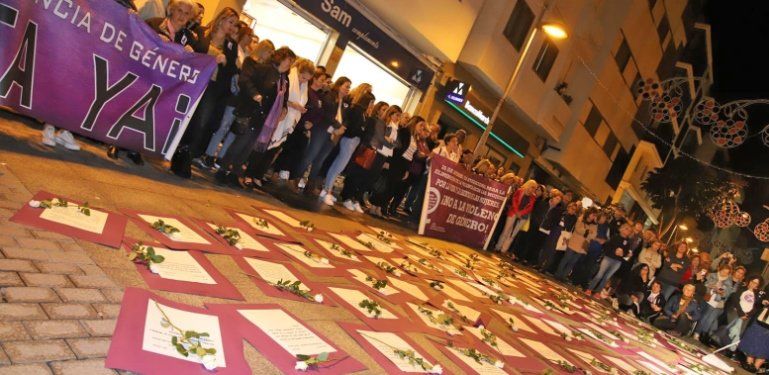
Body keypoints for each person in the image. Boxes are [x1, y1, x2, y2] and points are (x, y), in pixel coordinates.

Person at [170, 7, 240, 178]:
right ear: (222, 19)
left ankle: (185, 156)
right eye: (230, 22)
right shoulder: (201, 32)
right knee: (184, 117)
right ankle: (175, 151)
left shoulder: (231, 45)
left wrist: (226, 62)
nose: (232, 27)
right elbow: (190, 48)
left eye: (235, 24)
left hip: (213, 88)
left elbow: (232, 71)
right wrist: (189, 49)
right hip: (193, 81)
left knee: (201, 123)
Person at [214, 47, 295, 188]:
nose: (290, 64)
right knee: (240, 143)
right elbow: (245, 81)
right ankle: (223, 170)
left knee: (248, 147)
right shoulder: (264, 69)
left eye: (291, 62)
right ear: (280, 58)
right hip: (253, 113)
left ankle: (234, 173)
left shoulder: (284, 79)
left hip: (266, 118)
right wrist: (255, 94)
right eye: (289, 60)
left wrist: (284, 108)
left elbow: (284, 97)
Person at [200, 36, 269, 170]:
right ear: (263, 50)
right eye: (268, 51)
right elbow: (243, 80)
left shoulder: (260, 66)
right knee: (224, 127)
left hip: (244, 103)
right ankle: (209, 155)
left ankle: (221, 157)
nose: (269, 55)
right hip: (236, 99)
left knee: (234, 130)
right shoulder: (250, 61)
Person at [246, 57, 314, 187]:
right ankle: (249, 172)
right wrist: (292, 105)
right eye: (303, 77)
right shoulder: (289, 77)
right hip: (278, 116)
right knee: (263, 146)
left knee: (274, 150)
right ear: (298, 70)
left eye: (307, 79)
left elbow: (300, 101)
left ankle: (258, 174)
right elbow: (281, 97)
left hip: (289, 120)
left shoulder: (304, 86)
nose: (304, 81)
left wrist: (298, 108)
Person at [291, 77, 352, 196]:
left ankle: (310, 184)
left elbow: (346, 118)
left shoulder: (344, 102)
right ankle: (295, 178)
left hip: (332, 134)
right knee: (311, 155)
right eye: (346, 86)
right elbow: (327, 113)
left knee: (320, 160)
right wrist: (337, 126)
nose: (348, 89)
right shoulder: (329, 96)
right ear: (339, 85)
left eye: (349, 87)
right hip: (321, 129)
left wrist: (342, 127)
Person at [322, 84, 374, 204]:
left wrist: (361, 130)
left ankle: (327, 190)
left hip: (354, 142)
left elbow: (364, 130)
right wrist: (361, 130)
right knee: (338, 166)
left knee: (340, 166)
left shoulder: (364, 114)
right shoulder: (357, 110)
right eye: (371, 102)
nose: (372, 105)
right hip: (349, 140)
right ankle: (327, 190)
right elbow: (353, 127)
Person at [275, 71, 330, 183]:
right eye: (321, 80)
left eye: (324, 81)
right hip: (298, 123)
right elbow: (302, 106)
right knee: (288, 148)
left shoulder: (320, 96)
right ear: (314, 79)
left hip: (306, 127)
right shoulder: (307, 91)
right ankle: (278, 171)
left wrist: (312, 124)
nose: (323, 83)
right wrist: (305, 121)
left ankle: (289, 175)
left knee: (299, 151)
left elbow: (321, 113)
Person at [585, 223, 633, 297]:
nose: (628, 231)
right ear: (621, 229)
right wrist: (615, 251)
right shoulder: (615, 237)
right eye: (626, 228)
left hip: (617, 262)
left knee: (607, 277)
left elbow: (626, 252)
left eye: (629, 230)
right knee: (600, 274)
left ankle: (598, 292)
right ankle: (589, 289)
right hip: (608, 258)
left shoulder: (627, 242)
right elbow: (607, 247)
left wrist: (623, 254)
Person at [495, 180, 538, 255]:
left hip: (523, 217)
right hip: (513, 212)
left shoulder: (533, 197)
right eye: (532, 187)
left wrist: (520, 213)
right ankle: (498, 247)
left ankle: (503, 250)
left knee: (513, 234)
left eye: (535, 188)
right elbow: (514, 201)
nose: (533, 189)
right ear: (528, 185)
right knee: (506, 230)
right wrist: (517, 211)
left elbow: (530, 208)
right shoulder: (520, 191)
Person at [694, 264, 734, 342]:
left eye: (726, 273)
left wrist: (721, 292)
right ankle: (693, 330)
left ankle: (698, 333)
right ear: (720, 269)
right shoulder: (712, 275)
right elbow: (704, 284)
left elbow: (727, 293)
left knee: (705, 318)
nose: (724, 274)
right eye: (723, 271)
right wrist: (710, 286)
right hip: (706, 297)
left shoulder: (729, 282)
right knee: (699, 314)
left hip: (715, 301)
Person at [555, 208, 597, 281]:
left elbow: (593, 236)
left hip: (582, 247)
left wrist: (586, 233)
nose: (594, 216)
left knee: (572, 262)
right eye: (593, 214)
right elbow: (578, 229)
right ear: (589, 213)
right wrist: (588, 231)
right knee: (566, 259)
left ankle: (563, 276)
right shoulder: (581, 219)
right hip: (573, 243)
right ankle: (558, 274)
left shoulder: (594, 225)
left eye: (595, 215)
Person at [571, 210, 610, 287]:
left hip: (597, 250)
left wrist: (604, 241)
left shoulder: (606, 227)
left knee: (589, 266)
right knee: (581, 263)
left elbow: (608, 238)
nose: (603, 219)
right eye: (602, 217)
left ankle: (582, 282)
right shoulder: (594, 224)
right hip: (588, 246)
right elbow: (589, 234)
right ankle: (574, 280)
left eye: (605, 218)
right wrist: (597, 239)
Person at [737, 283, 769, 373]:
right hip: (762, 318)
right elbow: (759, 299)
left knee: (766, 345)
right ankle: (748, 363)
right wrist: (763, 301)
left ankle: (755, 367)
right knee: (753, 339)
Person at [539, 202, 578, 272]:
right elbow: (555, 220)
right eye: (571, 208)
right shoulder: (563, 212)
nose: (572, 210)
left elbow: (568, 227)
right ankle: (539, 264)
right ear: (568, 207)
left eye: (574, 210)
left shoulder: (574, 218)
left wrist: (566, 217)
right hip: (554, 230)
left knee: (553, 251)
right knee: (546, 247)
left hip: (562, 233)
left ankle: (544, 267)